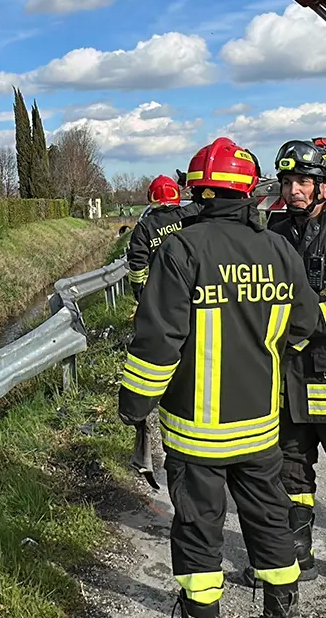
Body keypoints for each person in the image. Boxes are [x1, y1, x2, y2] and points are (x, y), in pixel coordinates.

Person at [118, 137, 319, 618]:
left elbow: (157, 342)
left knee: (197, 527)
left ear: (198, 192)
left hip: (196, 436)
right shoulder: (277, 249)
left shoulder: (182, 249)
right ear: (250, 191)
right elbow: (306, 325)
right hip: (260, 429)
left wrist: (135, 405)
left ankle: (202, 610)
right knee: (270, 518)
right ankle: (281, 605)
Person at [245, 140, 326, 584]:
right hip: (288, 370)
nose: (294, 190)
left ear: (322, 187)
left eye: (304, 181)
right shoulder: (272, 231)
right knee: (292, 464)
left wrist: (304, 318)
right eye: (288, 181)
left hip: (325, 364)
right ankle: (298, 553)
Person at [127, 175, 200, 301]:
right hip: (194, 284)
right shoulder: (190, 215)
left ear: (151, 196)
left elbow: (137, 265)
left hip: (161, 291)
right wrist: (189, 183)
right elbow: (209, 200)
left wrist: (139, 293)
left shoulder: (144, 227)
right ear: (176, 194)